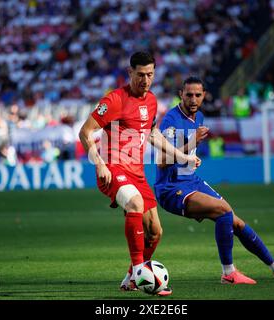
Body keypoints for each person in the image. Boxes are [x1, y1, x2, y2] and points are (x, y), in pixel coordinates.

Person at [154, 76, 274, 284]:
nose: (193, 99)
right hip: (171, 188)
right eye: (189, 95)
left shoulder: (199, 117)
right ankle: (228, 273)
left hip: (192, 181)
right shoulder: (171, 120)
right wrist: (192, 142)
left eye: (198, 95)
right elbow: (161, 162)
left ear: (204, 95)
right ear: (181, 95)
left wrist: (191, 150)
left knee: (236, 222)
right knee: (223, 211)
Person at [79, 52, 199, 295]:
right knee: (134, 203)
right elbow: (85, 131)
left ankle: (131, 280)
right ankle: (139, 271)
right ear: (130, 72)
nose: (146, 80)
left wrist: (182, 156)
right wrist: (99, 163)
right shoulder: (114, 100)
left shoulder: (152, 100)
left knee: (155, 232)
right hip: (113, 169)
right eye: (141, 74)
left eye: (150, 75)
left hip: (137, 173)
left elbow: (153, 134)